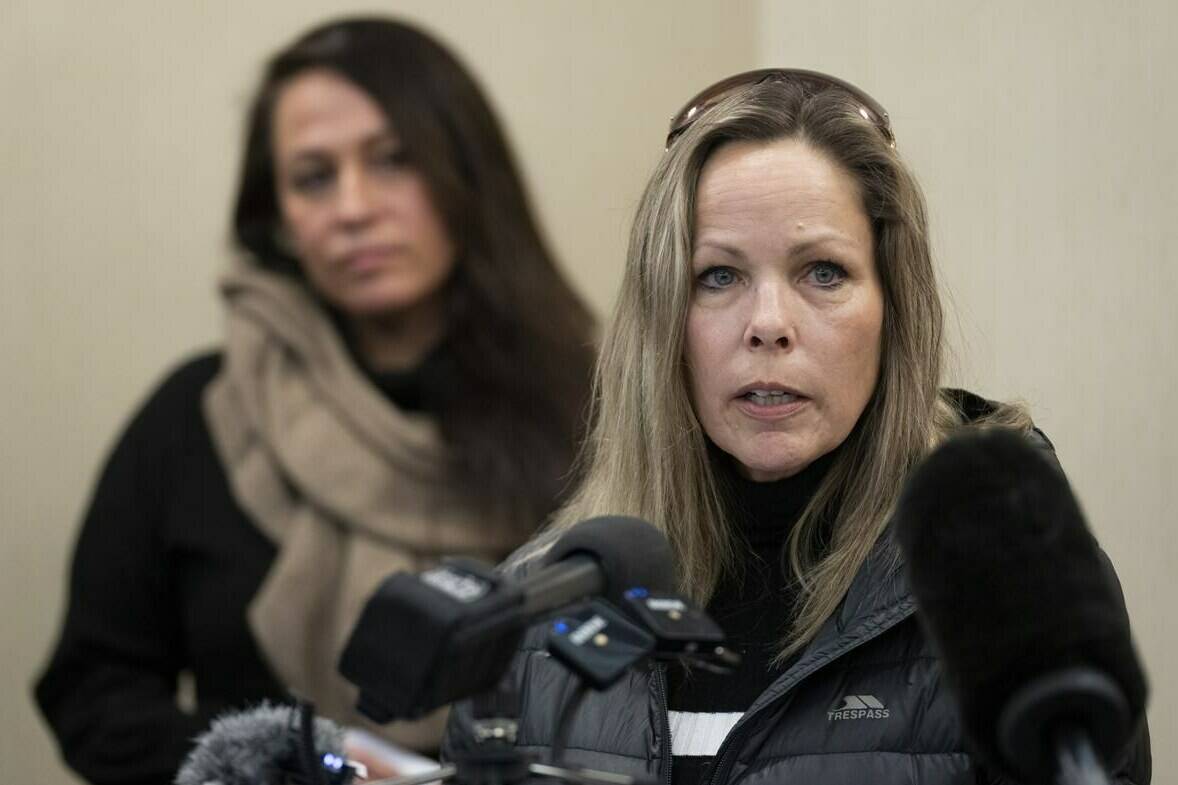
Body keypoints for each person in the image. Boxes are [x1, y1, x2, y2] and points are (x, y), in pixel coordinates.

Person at [443, 70, 1151, 783]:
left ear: (893, 310)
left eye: (822, 272)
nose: (769, 325)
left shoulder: (1007, 582)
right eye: (718, 276)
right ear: (663, 320)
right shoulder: (539, 613)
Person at [34, 17, 596, 785]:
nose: (354, 207)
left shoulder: (589, 413)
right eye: (313, 177)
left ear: (469, 180)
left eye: (395, 160)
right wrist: (277, 767)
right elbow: (94, 691)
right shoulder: (196, 416)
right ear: (280, 220)